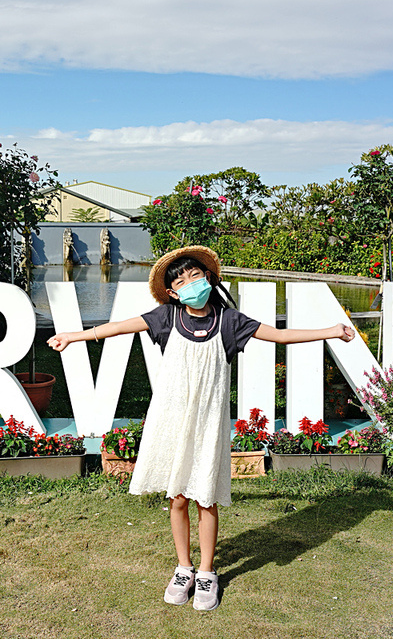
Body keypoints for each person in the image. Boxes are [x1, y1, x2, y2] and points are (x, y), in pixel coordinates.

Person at [47, 245, 355, 612]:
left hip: (208, 423)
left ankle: (207, 573)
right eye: (181, 281)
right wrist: (72, 335)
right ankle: (184, 568)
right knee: (177, 498)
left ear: (209, 278)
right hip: (171, 420)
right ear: (173, 293)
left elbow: (280, 336)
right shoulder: (166, 317)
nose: (191, 283)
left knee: (206, 498)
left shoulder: (229, 321)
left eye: (196, 276)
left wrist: (332, 330)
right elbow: (117, 328)